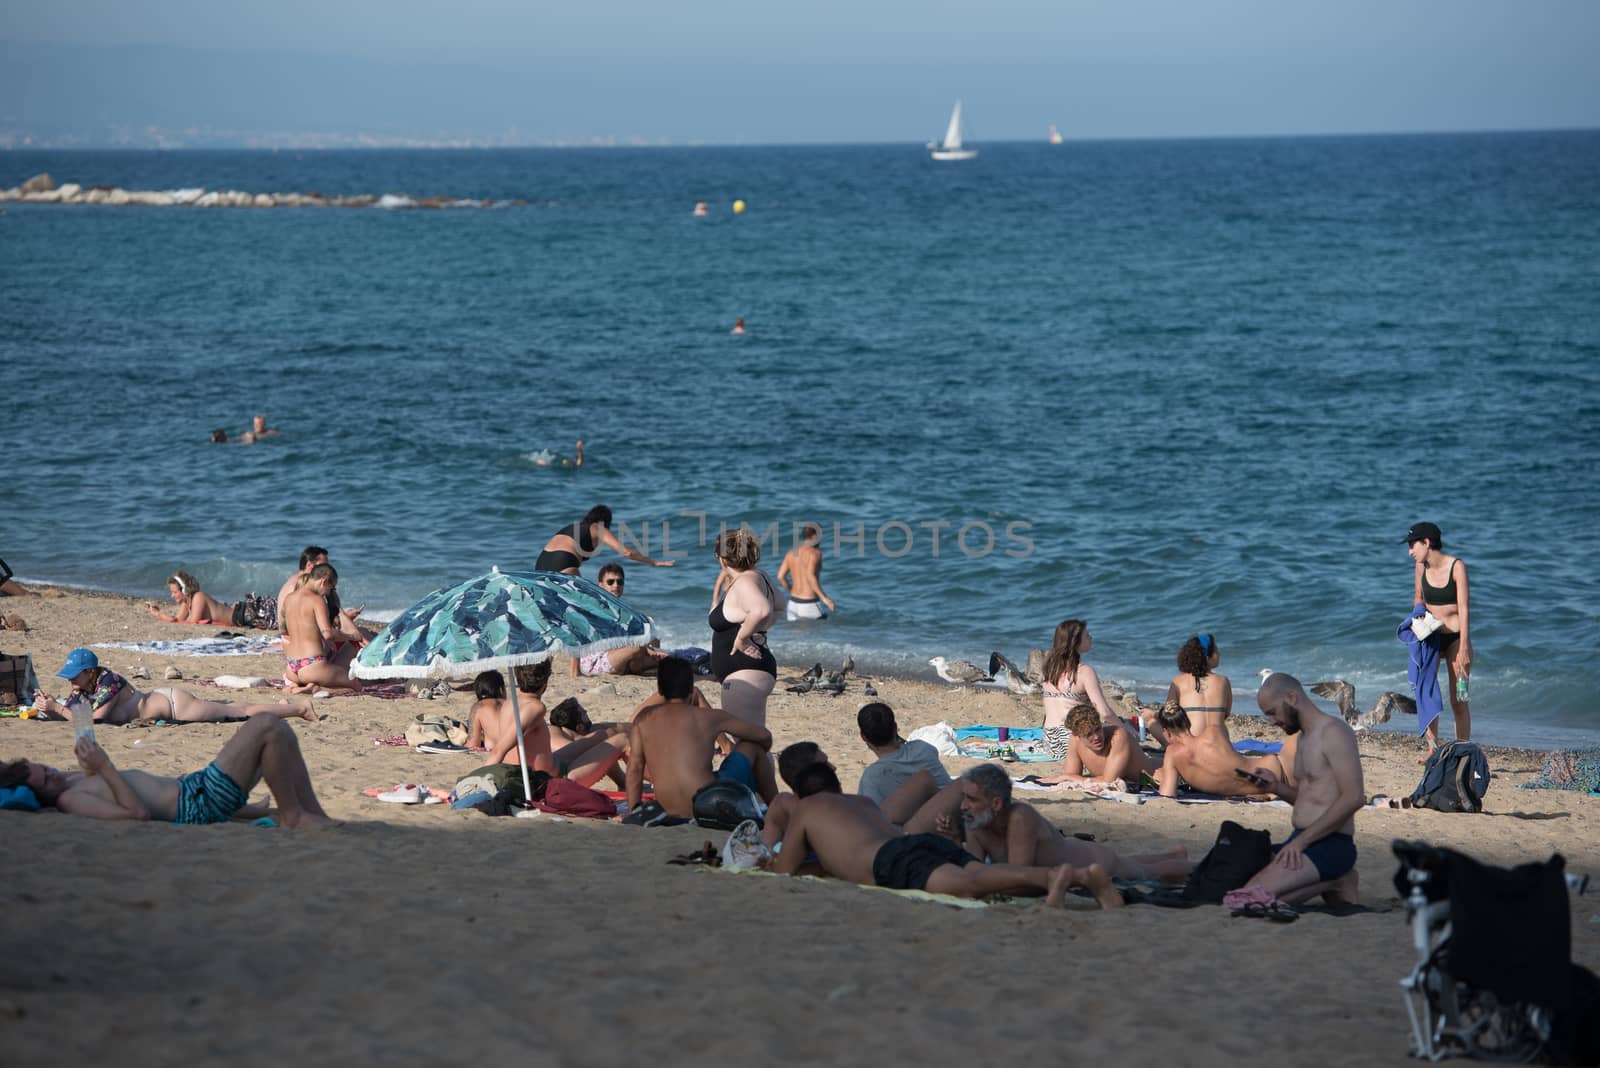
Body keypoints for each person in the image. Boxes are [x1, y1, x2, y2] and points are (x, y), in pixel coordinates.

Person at [770, 763, 1121, 909]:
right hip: (911, 842)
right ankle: (1071, 876)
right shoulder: (860, 802)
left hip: (891, 861)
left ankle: (1070, 876)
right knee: (979, 875)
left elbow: (784, 871)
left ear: (801, 794)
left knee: (972, 883)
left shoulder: (806, 809)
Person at [1, 713, 336, 828]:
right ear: (39, 797)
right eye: (47, 780)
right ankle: (293, 817)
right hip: (197, 803)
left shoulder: (73, 780)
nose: (54, 774)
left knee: (279, 732)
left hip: (194, 788)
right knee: (266, 725)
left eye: (47, 768)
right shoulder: (69, 802)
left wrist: (247, 812)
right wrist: (105, 766)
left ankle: (310, 812)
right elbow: (136, 815)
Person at [1241, 673, 1364, 906]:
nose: (1272, 721)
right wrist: (1276, 788)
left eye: (1271, 712)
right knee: (1233, 880)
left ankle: (1337, 879)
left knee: (1250, 899)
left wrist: (1301, 842)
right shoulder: (1303, 739)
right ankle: (1335, 881)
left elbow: (1354, 797)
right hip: (1300, 840)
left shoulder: (1334, 733)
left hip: (1330, 843)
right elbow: (1311, 799)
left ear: (1291, 697)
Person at [951, 764, 1189, 883]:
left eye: (971, 799)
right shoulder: (976, 821)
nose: (963, 806)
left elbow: (1018, 877)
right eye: (964, 798)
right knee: (1128, 862)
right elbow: (973, 871)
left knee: (1148, 874)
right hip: (1073, 849)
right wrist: (953, 840)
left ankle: (1204, 867)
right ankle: (1174, 853)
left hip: (1090, 861)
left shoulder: (1019, 817)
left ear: (995, 803)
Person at [626, 656, 776, 817]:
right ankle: (775, 808)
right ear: (691, 688)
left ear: (660, 690)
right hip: (708, 802)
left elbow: (634, 768)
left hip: (667, 806)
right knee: (751, 746)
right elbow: (764, 736)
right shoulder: (708, 717)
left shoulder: (643, 718)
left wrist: (634, 811)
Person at [33, 648, 317, 725]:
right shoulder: (83, 687)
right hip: (167, 705)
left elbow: (95, 719)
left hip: (175, 706)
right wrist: (46, 707)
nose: (70, 679)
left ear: (90, 671)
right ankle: (287, 708)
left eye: (74, 674)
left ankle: (300, 708)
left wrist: (57, 707)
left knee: (238, 710)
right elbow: (71, 714)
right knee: (235, 709)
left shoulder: (110, 681)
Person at [466, 666, 626, 788]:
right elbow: (499, 750)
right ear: (545, 682)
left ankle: (624, 785)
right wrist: (475, 783)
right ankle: (632, 793)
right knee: (623, 740)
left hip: (553, 764)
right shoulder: (535, 707)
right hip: (553, 781)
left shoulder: (510, 703)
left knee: (600, 737)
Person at [1406, 521, 1472, 749]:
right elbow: (1418, 597)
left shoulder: (1457, 567)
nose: (1410, 551)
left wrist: (1464, 648)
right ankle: (1433, 749)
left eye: (1413, 545)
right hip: (1432, 638)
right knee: (1427, 693)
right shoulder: (1420, 568)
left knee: (1460, 700)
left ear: (1427, 542)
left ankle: (1462, 752)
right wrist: (1418, 616)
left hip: (1456, 638)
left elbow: (1464, 609)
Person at [708, 528, 781, 727]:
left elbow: (762, 610)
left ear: (722, 559)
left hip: (745, 674)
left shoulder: (745, 582)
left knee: (746, 744)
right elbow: (780, 606)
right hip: (753, 670)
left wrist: (742, 637)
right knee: (755, 746)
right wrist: (758, 629)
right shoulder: (759, 577)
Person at [1153, 703, 1289, 798]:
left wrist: (1164, 778)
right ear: (1188, 722)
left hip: (1268, 783)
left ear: (1166, 732)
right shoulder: (1214, 731)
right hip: (1276, 768)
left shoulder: (1172, 754)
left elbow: (1167, 795)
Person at [1039, 619, 1129, 759]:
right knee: (1120, 732)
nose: (1091, 637)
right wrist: (1126, 730)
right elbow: (1104, 712)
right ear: (1076, 642)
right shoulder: (1084, 672)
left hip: (1050, 740)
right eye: (1087, 635)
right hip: (1072, 741)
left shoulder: (1049, 670)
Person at [570, 564, 667, 677]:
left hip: (615, 655)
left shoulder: (622, 611)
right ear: (600, 585)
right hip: (595, 661)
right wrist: (574, 671)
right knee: (637, 648)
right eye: (610, 582)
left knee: (659, 649)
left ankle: (646, 667)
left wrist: (653, 651)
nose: (616, 585)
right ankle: (646, 668)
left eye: (619, 582)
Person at [280, 564, 362, 694]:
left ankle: (300, 685)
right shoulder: (316, 600)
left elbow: (283, 630)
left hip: (291, 667)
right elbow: (328, 634)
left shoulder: (289, 599)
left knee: (321, 675)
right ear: (324, 581)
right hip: (312, 665)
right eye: (331, 588)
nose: (329, 592)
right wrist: (352, 636)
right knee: (356, 685)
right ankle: (318, 688)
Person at [1038, 703, 1157, 787]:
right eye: (1088, 734)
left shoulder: (1118, 736)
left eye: (1098, 729)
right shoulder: (1075, 740)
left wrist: (1067, 777)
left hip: (1154, 775)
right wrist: (1068, 777)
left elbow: (1108, 781)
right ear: (1077, 735)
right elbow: (1072, 774)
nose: (1096, 737)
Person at [856, 702, 951, 808]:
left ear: (863, 737)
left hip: (922, 821)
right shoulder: (923, 748)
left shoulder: (871, 777)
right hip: (950, 811)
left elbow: (872, 818)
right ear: (895, 727)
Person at [535, 504, 675, 575]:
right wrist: (653, 562)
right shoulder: (598, 527)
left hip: (540, 563)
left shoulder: (574, 527)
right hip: (563, 562)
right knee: (579, 602)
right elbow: (627, 553)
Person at [1162, 633, 1232, 743]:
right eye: (1216, 651)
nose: (1219, 654)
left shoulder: (1178, 681)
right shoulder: (1224, 681)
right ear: (1207, 657)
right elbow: (1226, 714)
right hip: (1221, 744)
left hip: (1192, 743)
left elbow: (1169, 715)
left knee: (1151, 719)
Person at [777, 524, 835, 620]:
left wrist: (791, 591)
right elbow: (810, 576)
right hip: (809, 604)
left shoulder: (791, 553)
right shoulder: (815, 553)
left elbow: (780, 576)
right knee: (822, 632)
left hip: (793, 604)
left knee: (797, 634)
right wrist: (825, 599)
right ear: (814, 537)